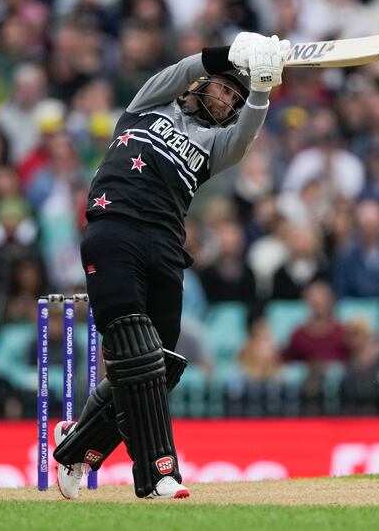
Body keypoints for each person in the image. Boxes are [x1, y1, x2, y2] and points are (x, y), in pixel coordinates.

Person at [52, 32, 290, 500]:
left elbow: (245, 137)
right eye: (221, 87)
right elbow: (182, 68)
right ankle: (160, 474)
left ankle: (76, 447)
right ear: (201, 86)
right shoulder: (149, 105)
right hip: (113, 230)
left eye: (233, 98)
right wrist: (232, 55)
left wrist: (261, 90)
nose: (225, 99)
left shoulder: (215, 145)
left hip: (165, 248)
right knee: (138, 356)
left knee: (160, 366)